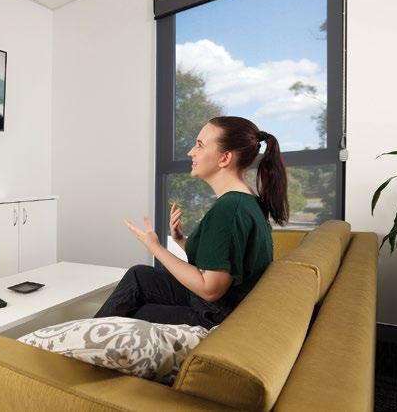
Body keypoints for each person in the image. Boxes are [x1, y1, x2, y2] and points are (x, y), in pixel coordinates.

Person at [94, 116, 288, 328]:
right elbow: (223, 260)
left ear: (225, 158)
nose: (190, 152)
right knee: (139, 275)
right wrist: (180, 240)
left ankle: (81, 340)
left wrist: (155, 247)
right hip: (224, 306)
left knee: (131, 312)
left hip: (215, 315)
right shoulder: (247, 200)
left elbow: (210, 289)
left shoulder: (230, 208)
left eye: (199, 145)